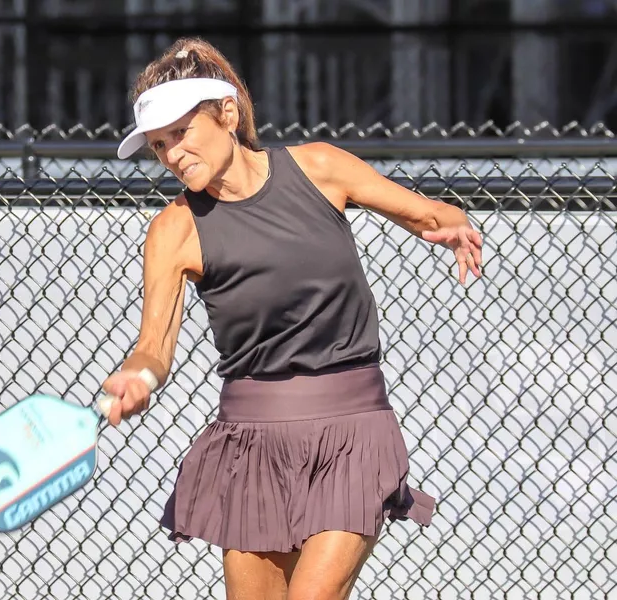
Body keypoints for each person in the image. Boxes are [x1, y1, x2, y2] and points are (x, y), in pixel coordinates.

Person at [101, 37, 483, 600]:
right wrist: (138, 377)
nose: (172, 154)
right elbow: (152, 347)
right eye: (158, 146)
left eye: (180, 133)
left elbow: (426, 212)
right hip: (251, 443)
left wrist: (450, 221)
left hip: (353, 430)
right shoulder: (173, 229)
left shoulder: (320, 167)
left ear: (227, 114)